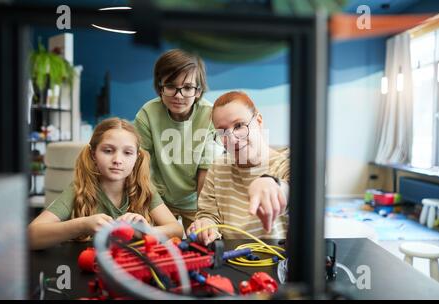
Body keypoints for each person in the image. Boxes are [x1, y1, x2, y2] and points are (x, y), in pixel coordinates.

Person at [28, 117, 183, 250]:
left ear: (137, 157)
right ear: (93, 154)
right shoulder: (79, 190)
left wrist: (146, 231)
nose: (117, 160)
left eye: (127, 153)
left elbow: (176, 229)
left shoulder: (144, 190)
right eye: (108, 151)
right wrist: (83, 225)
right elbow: (31, 236)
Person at [187, 91, 290, 245]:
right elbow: (208, 214)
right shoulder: (217, 168)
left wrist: (272, 183)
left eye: (239, 125)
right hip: (233, 262)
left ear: (259, 121)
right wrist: (206, 225)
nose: (232, 139)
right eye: (222, 131)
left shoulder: (286, 162)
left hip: (278, 263)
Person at [134, 49, 219, 231]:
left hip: (196, 200)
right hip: (159, 199)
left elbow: (206, 170)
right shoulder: (147, 114)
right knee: (156, 247)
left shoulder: (211, 116)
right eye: (171, 86)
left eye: (187, 87)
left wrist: (203, 214)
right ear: (160, 86)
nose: (178, 95)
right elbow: (142, 167)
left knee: (202, 243)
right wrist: (151, 204)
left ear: (198, 91)